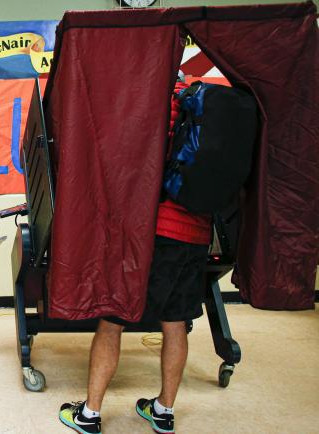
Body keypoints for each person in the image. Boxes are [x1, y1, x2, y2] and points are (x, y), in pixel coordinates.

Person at [59, 74, 211, 434]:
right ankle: (163, 411)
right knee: (175, 323)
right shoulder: (205, 97)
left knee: (113, 318)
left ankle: (90, 415)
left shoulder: (155, 98)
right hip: (197, 229)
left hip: (152, 231)